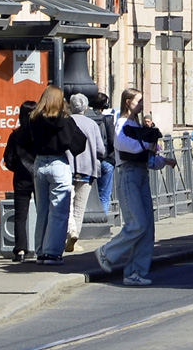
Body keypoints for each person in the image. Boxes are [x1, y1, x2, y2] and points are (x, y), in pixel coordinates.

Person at [95, 88, 177, 287]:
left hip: (140, 173)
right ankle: (106, 252)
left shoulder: (135, 125)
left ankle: (135, 272)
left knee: (147, 228)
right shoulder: (121, 123)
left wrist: (163, 161)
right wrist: (147, 146)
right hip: (128, 175)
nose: (141, 105)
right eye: (138, 101)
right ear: (127, 102)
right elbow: (125, 146)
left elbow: (146, 158)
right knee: (137, 223)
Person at [20, 85, 87, 266]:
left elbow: (24, 140)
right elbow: (79, 144)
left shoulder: (33, 119)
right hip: (58, 163)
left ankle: (41, 251)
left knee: (42, 210)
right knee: (59, 211)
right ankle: (52, 253)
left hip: (40, 164)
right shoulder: (65, 121)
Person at [65, 93, 106, 253]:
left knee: (66, 205)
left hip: (67, 168)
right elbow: (100, 150)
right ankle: (75, 239)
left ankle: (70, 231)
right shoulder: (92, 124)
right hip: (87, 169)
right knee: (79, 207)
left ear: (70, 106)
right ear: (86, 107)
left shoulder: (66, 122)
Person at [2, 100, 37, 262]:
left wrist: (18, 168)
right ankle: (41, 247)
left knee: (20, 215)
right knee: (42, 212)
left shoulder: (15, 135)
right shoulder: (39, 134)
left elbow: (7, 160)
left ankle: (20, 250)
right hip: (38, 176)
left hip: (21, 177)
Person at [90, 92, 117, 215]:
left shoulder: (87, 118)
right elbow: (112, 140)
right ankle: (103, 219)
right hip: (106, 161)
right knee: (104, 195)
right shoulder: (107, 119)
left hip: (90, 161)